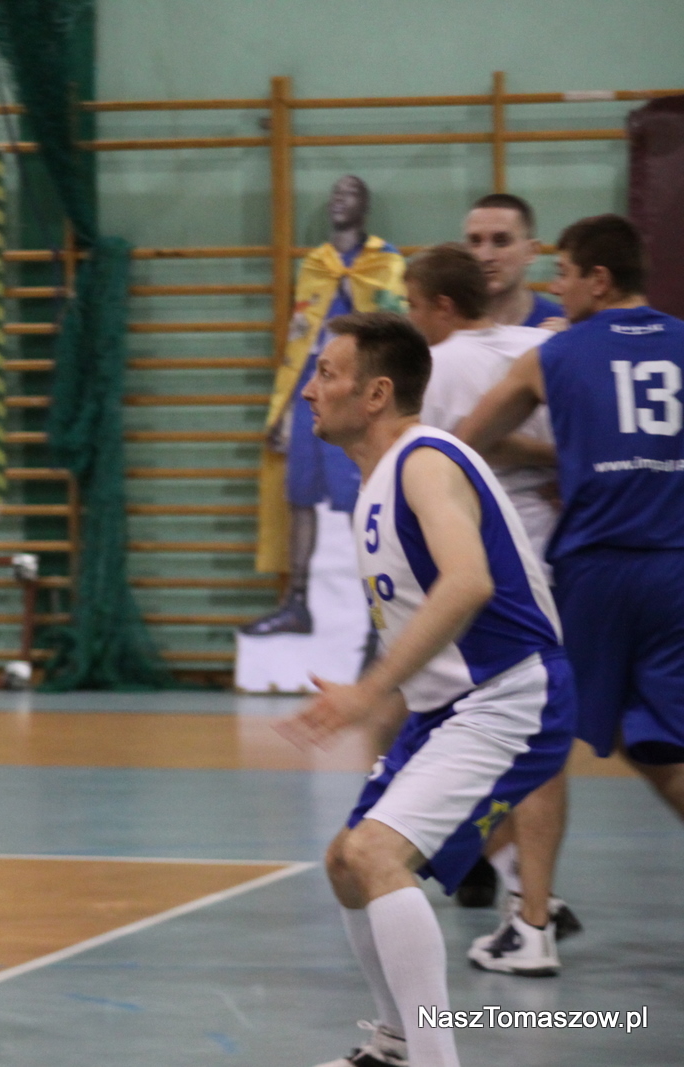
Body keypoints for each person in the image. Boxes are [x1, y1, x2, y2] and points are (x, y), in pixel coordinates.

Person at [280, 312, 575, 1067]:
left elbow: (468, 581)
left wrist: (371, 690)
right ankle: (397, 1046)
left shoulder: (425, 460)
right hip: (448, 711)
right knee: (347, 863)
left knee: (376, 852)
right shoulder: (379, 480)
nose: (310, 390)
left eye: (328, 374)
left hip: (510, 696)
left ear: (376, 393)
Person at [459, 213, 684, 957]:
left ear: (599, 280)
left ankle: (532, 926)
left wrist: (559, 458)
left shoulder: (555, 354)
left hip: (595, 569)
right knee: (662, 746)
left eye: (564, 274)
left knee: (542, 733)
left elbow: (466, 439)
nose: (557, 289)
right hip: (675, 567)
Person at [405, 245, 582, 963]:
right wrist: (557, 468)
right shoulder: (543, 348)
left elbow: (423, 464)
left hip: (480, 574)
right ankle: (525, 888)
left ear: (442, 306)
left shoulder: (433, 367)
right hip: (555, 559)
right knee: (537, 735)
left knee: (467, 728)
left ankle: (517, 892)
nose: (412, 318)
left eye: (414, 305)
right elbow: (585, 445)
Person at [249, 175, 407, 636]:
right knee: (299, 496)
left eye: (350, 193)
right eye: (335, 194)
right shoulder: (315, 264)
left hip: (356, 399)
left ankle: (379, 617)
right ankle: (296, 603)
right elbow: (299, 338)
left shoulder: (385, 262)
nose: (339, 199)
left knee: (364, 502)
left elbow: (393, 331)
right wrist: (284, 410)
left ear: (365, 206)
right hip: (311, 393)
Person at [463, 193, 568, 331]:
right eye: (475, 242)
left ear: (531, 251)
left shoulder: (565, 327)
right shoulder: (445, 328)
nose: (485, 256)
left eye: (501, 242)